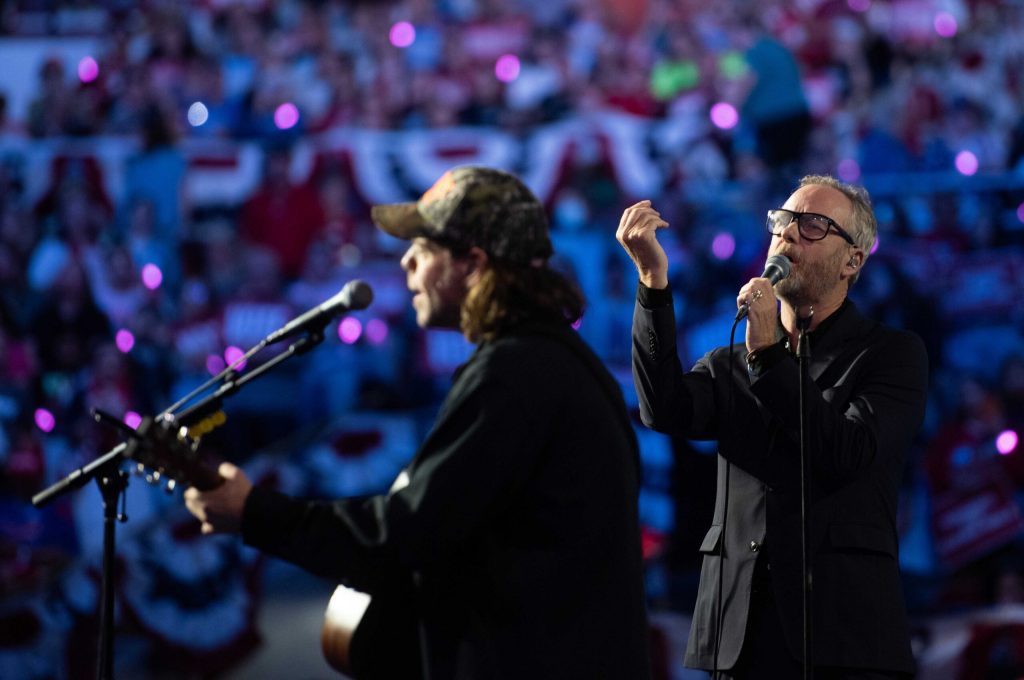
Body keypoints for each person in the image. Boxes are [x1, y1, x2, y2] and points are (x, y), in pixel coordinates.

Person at [185, 166, 652, 679]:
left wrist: (255, 513)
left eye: (423, 249)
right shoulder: (551, 363)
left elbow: (404, 537)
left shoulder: (513, 375)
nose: (404, 262)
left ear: (472, 264)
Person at [616, 175, 928, 678]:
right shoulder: (730, 361)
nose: (787, 234)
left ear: (853, 260)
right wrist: (654, 285)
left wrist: (767, 358)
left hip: (840, 636)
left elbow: (846, 451)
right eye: (782, 222)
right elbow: (662, 409)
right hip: (736, 634)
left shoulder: (889, 355)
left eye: (813, 226)